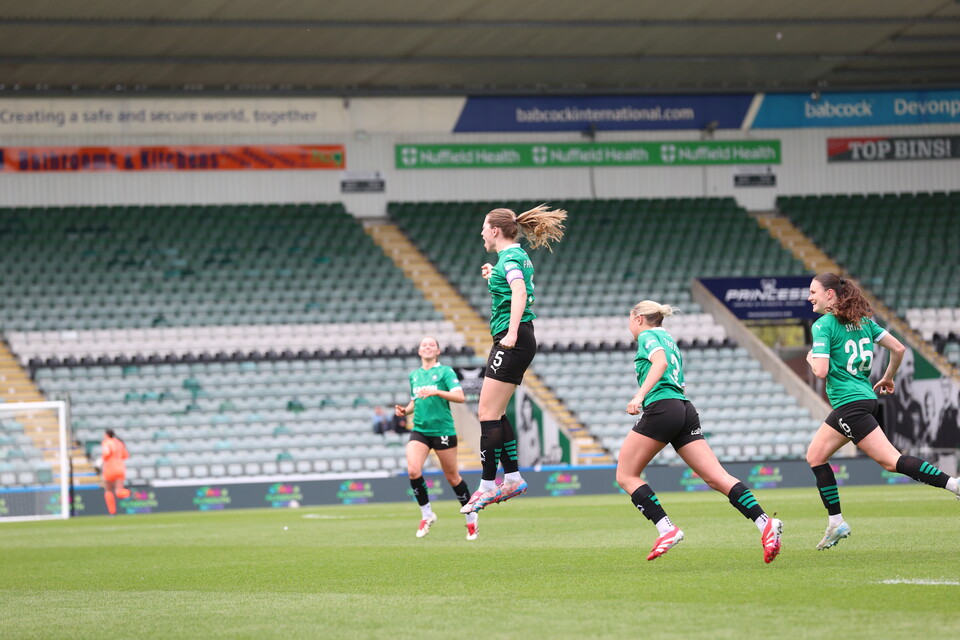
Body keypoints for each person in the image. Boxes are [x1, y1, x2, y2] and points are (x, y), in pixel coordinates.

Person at [616, 300, 783, 562]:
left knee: (626, 475)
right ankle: (764, 523)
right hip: (684, 409)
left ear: (638, 318)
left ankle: (666, 528)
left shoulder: (647, 335)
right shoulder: (668, 337)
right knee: (717, 477)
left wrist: (639, 396)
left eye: (629, 318)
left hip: (662, 408)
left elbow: (659, 364)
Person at [805, 273, 960, 550]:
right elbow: (898, 348)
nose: (809, 297)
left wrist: (810, 356)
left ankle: (954, 485)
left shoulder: (823, 325)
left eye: (813, 291)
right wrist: (889, 376)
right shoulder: (864, 322)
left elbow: (820, 370)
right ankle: (835, 522)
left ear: (830, 295)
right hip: (862, 401)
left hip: (849, 405)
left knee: (892, 461)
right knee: (815, 456)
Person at [460, 204, 567, 514]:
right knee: (496, 411)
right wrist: (493, 277)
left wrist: (511, 332)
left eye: (484, 227)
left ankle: (486, 486)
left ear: (495, 230)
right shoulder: (511, 259)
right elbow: (512, 285)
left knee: (486, 413)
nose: (481, 232)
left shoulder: (509, 257)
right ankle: (514, 478)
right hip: (520, 338)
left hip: (513, 339)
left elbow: (519, 292)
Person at [395, 336, 478, 540]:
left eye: (432, 344)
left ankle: (471, 515)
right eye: (424, 344)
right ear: (419, 351)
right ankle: (427, 514)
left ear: (438, 351)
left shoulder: (445, 372)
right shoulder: (414, 375)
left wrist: (437, 392)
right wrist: (405, 411)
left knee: (452, 477)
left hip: (443, 430)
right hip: (421, 429)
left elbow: (460, 396)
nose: (427, 347)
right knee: (413, 471)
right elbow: (416, 400)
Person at [100, 429, 130, 516]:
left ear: (106, 435)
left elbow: (106, 453)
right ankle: (130, 493)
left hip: (110, 468)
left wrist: (100, 461)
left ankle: (112, 512)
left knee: (108, 490)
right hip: (120, 468)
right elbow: (125, 456)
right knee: (119, 491)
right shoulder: (120, 443)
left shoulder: (107, 442)